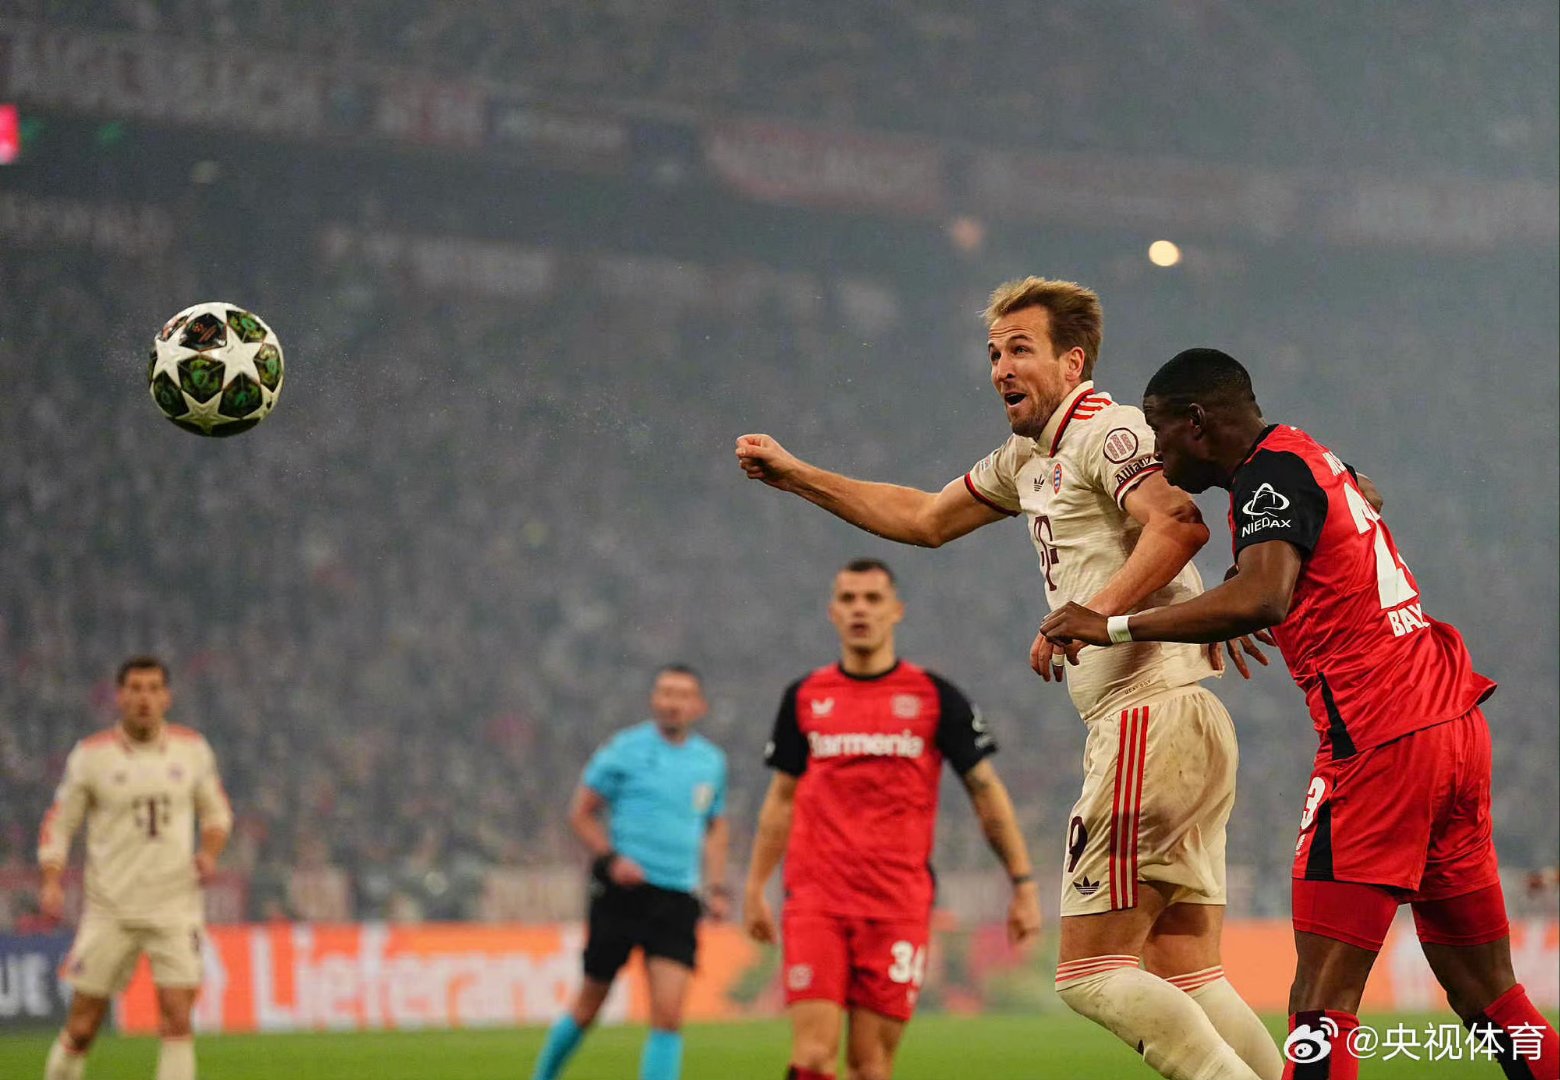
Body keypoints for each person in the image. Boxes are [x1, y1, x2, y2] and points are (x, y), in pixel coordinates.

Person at [737, 278, 1281, 1080]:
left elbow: (1177, 522)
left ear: (1073, 361)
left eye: (1020, 350)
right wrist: (798, 476)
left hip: (1146, 714)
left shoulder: (1107, 430)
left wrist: (1092, 613)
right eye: (993, 353)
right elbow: (925, 519)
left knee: (1090, 972)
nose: (1000, 368)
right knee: (1185, 970)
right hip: (1179, 722)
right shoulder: (1030, 456)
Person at [1040, 347, 1560, 1080]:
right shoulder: (1307, 456)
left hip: (1380, 740)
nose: (1155, 451)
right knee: (1489, 994)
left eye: (1160, 430)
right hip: (1452, 724)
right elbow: (1361, 495)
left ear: (1198, 422)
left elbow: (1264, 598)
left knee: (1319, 1005)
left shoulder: (1268, 475)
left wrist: (1112, 625)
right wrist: (1250, 569)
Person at [744, 558, 1042, 1080]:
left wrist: (1023, 883)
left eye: (873, 598)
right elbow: (781, 799)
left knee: (871, 1065)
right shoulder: (805, 696)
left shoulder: (934, 697)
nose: (860, 609)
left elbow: (985, 792)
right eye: (849, 599)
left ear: (896, 610)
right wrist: (755, 886)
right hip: (817, 900)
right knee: (812, 1056)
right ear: (833, 612)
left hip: (897, 904)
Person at [38, 656, 232, 1080]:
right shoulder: (91, 757)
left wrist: (209, 852)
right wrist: (51, 879)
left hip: (175, 906)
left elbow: (217, 814)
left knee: (177, 1019)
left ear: (167, 697)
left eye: (153, 688)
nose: (145, 698)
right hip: (111, 908)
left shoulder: (192, 750)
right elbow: (61, 822)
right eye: (136, 689)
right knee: (82, 1027)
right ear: (120, 696)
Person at [532, 664, 729, 1080]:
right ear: (654, 699)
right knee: (588, 1006)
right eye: (665, 693)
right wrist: (612, 859)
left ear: (699, 706)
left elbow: (715, 825)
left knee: (669, 1016)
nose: (672, 703)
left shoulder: (711, 762)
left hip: (677, 898)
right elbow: (581, 813)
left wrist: (716, 887)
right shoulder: (624, 750)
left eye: (681, 695)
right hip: (622, 895)